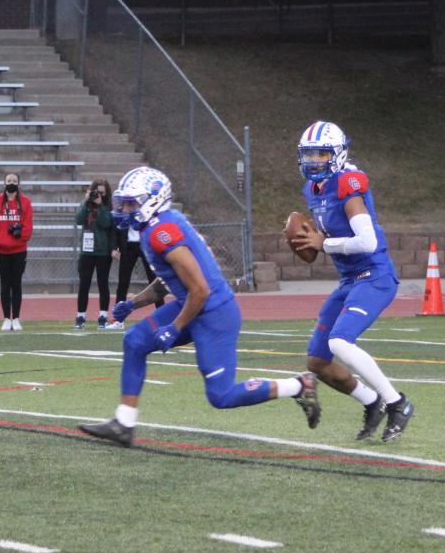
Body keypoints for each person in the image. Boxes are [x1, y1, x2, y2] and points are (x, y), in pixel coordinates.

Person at [78, 166, 319, 447]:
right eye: (125, 202)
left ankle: (300, 385)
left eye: (132, 202)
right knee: (135, 340)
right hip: (193, 303)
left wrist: (175, 327)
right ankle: (124, 423)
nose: (125, 208)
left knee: (221, 396)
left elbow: (200, 290)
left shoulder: (161, 231)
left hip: (214, 312)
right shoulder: (157, 225)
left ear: (153, 199)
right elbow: (169, 281)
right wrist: (133, 304)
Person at [289, 120, 414, 442]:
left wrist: (324, 244)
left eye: (321, 154)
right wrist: (313, 242)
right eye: (309, 154)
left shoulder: (348, 182)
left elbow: (367, 241)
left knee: (339, 341)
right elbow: (322, 237)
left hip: (374, 275)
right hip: (349, 280)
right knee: (318, 360)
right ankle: (372, 403)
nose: (314, 160)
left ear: (339, 154)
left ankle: (396, 402)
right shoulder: (311, 189)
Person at [0, 171, 32, 332]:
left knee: (17, 284)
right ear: (4, 183)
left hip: (19, 250)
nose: (11, 183)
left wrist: (17, 238)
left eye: (14, 180)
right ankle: (6, 318)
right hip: (1, 251)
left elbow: (28, 228)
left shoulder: (26, 202)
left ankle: (17, 318)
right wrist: (1, 239)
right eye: (8, 180)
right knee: (5, 284)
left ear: (19, 184)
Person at [73, 177, 118, 330]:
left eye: (102, 193)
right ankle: (80, 316)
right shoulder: (87, 205)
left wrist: (101, 206)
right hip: (87, 250)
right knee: (84, 284)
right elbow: (78, 220)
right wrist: (86, 202)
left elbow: (107, 223)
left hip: (103, 251)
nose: (99, 195)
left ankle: (103, 316)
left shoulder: (109, 206)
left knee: (102, 284)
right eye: (97, 192)